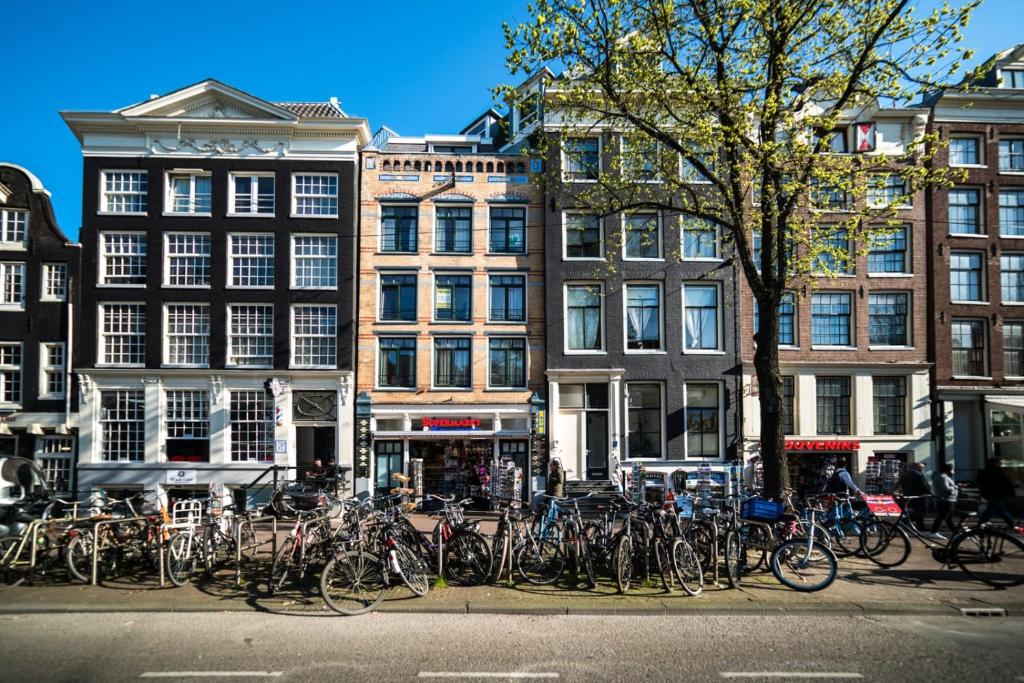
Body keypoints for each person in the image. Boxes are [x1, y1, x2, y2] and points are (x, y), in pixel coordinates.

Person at [977, 457, 1017, 527]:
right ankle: (981, 522)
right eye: (1000, 462)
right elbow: (1005, 481)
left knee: (1000, 509)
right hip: (996, 493)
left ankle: (1011, 522)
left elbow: (979, 481)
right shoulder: (997, 471)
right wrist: (1011, 491)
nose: (1001, 463)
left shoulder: (986, 470)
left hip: (990, 493)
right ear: (995, 463)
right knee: (991, 509)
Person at [898, 462, 932, 532]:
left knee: (913, 511)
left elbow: (902, 485)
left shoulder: (905, 476)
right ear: (918, 468)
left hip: (909, 496)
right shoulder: (918, 476)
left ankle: (905, 522)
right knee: (920, 512)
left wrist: (906, 493)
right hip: (919, 497)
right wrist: (929, 494)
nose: (923, 469)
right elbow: (924, 486)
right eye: (922, 468)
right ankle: (921, 527)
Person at [931, 463, 958, 536]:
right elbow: (944, 488)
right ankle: (934, 532)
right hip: (946, 500)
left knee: (948, 517)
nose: (953, 472)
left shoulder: (942, 477)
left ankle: (955, 532)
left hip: (946, 499)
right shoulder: (943, 477)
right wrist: (955, 487)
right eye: (952, 470)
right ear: (948, 470)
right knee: (943, 516)